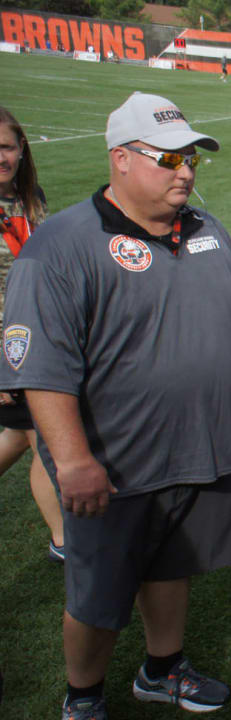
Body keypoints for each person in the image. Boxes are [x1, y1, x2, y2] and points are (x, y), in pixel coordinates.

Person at [2, 92, 231, 719]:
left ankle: (162, 669)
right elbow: (43, 368)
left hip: (199, 449)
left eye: (190, 156)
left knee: (173, 565)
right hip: (112, 464)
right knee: (98, 593)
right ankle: (82, 697)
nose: (185, 170)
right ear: (121, 160)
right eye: (168, 157)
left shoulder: (208, 232)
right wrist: (74, 461)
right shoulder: (60, 246)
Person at [0, 106, 61, 563]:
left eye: (6, 146)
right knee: (48, 435)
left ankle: (66, 539)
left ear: (22, 149)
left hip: (37, 337)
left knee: (28, 435)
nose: (0, 156)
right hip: (11, 351)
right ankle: (66, 540)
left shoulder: (31, 198)